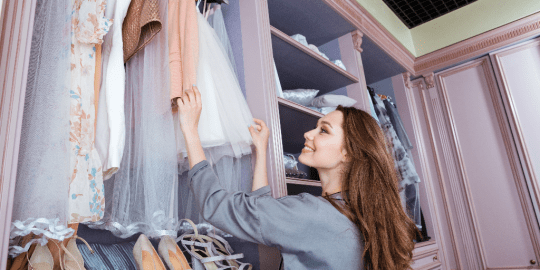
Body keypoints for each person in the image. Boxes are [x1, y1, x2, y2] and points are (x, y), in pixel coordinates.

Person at [177, 86, 418, 269]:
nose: (308, 133)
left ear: (349, 152)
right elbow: (266, 215)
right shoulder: (358, 213)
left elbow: (216, 205)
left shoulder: (313, 213)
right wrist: (261, 151)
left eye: (323, 130)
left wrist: (190, 130)